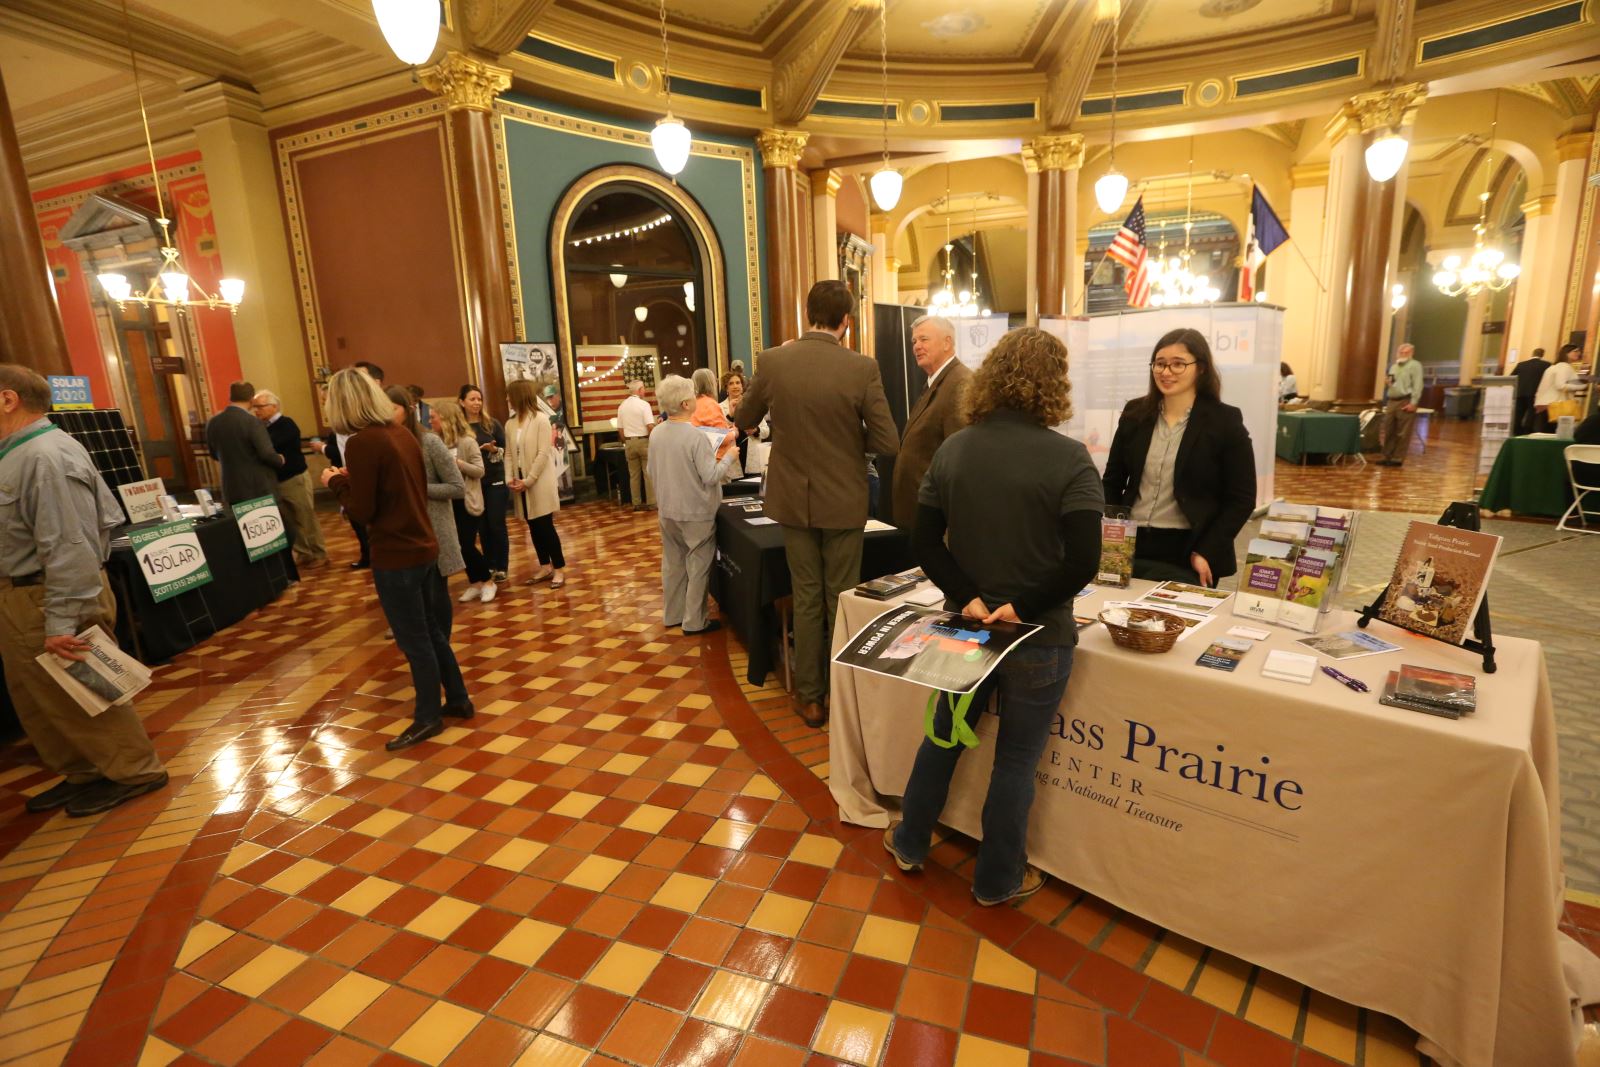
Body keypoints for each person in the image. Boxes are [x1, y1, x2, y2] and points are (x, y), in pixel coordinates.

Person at [885, 328, 1102, 906]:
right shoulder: (1070, 457)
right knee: (1016, 762)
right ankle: (997, 879)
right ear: (1054, 385)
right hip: (1038, 636)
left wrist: (969, 597)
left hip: (968, 626)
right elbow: (1084, 560)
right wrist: (1024, 605)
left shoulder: (956, 448)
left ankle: (909, 840)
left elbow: (924, 541)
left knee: (943, 736)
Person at [0, 364, 168, 816]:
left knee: (85, 688)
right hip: (21, 595)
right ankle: (86, 771)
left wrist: (61, 619)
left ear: (8, 399)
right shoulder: (17, 453)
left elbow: (71, 545)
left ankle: (135, 770)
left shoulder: (46, 456)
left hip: (49, 594)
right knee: (41, 698)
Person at [735, 280, 900, 728]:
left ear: (806, 313)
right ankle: (842, 692)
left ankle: (811, 698)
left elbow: (743, 418)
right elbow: (887, 439)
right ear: (846, 321)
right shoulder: (861, 367)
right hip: (844, 499)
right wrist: (848, 445)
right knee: (841, 597)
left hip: (792, 501)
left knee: (806, 597)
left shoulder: (774, 360)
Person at [322, 369, 471, 750]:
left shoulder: (362, 443)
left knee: (414, 640)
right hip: (422, 545)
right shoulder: (401, 433)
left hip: (396, 553)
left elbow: (364, 510)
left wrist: (336, 482)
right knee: (432, 632)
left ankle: (427, 718)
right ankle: (457, 699)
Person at [1101, 327, 1256, 587]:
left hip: (1191, 550)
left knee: (1178, 625)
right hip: (1132, 543)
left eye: (1178, 365)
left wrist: (1207, 551)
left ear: (1201, 368)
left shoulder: (1224, 420)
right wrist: (1113, 535)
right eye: (1160, 364)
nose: (1166, 372)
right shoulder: (1134, 413)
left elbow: (1241, 498)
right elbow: (1112, 481)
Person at [648, 375, 740, 634]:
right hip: (696, 511)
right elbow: (710, 476)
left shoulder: (656, 433)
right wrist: (730, 457)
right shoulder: (696, 437)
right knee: (698, 565)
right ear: (687, 403)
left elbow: (650, 470)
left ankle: (673, 614)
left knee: (673, 563)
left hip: (667, 509)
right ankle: (694, 621)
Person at [891, 315, 971, 528]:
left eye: (924, 339)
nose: (917, 346)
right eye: (914, 341)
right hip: (919, 511)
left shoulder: (960, 383)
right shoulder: (936, 382)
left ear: (947, 342)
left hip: (938, 517)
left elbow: (959, 456)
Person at [386, 385, 464, 590]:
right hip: (404, 536)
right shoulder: (385, 443)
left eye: (392, 408)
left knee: (436, 601)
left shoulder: (429, 441)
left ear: (409, 409)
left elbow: (457, 487)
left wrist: (418, 488)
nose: (386, 414)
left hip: (433, 532)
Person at [252, 389, 327, 568]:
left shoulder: (287, 424)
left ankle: (319, 553)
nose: (256, 411)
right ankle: (304, 553)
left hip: (294, 479)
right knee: (289, 520)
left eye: (260, 407)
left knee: (305, 516)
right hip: (276, 481)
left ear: (274, 406)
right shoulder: (261, 427)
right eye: (254, 407)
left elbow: (270, 446)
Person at [506, 378, 566, 587]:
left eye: (509, 395)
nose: (507, 399)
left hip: (538, 481)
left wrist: (529, 480)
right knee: (532, 526)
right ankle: (544, 566)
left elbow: (543, 452)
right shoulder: (510, 423)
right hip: (520, 481)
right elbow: (509, 455)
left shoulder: (540, 419)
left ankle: (558, 569)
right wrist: (509, 478)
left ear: (519, 397)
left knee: (545, 526)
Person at [434, 399, 493, 603]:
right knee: (458, 546)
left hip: (468, 501)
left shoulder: (467, 441)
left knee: (466, 544)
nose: (431, 421)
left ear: (446, 419)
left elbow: (479, 470)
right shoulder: (437, 441)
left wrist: (457, 463)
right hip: (449, 503)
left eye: (434, 418)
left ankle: (487, 581)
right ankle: (475, 583)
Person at [206, 381, 284, 506]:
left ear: (230, 398)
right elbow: (266, 454)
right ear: (251, 400)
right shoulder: (252, 422)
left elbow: (214, 454)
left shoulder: (213, 422)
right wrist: (279, 459)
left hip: (231, 489)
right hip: (258, 490)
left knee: (241, 526)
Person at [459, 384, 508, 582]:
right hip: (473, 483)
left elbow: (506, 450)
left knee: (496, 524)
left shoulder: (492, 424)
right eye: (472, 399)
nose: (477, 403)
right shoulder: (460, 427)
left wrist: (493, 451)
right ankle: (490, 565)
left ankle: (502, 566)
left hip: (495, 479)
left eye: (479, 399)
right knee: (483, 527)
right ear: (462, 402)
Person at [1377, 343, 1423, 467]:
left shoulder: (1415, 366)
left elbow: (1417, 385)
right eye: (1401, 352)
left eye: (1406, 353)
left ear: (1411, 353)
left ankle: (1397, 458)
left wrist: (1413, 403)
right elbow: (1392, 382)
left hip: (1405, 400)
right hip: (1392, 400)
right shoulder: (1393, 366)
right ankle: (1387, 456)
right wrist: (1388, 382)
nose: (1403, 354)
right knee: (1389, 429)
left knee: (1403, 432)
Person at [617, 380, 655, 510]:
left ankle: (636, 503)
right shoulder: (644, 405)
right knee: (647, 473)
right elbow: (650, 426)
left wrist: (626, 441)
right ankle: (651, 503)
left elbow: (620, 430)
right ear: (639, 390)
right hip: (644, 441)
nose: (645, 390)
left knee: (634, 475)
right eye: (643, 388)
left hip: (629, 442)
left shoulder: (622, 406)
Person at [1535, 343, 1586, 432]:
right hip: (1556, 406)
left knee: (1545, 435)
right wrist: (1581, 386)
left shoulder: (1555, 366)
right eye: (1575, 351)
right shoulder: (1564, 366)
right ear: (1566, 353)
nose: (1579, 353)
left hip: (1546, 405)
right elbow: (1560, 385)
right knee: (1553, 436)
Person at [1513, 348, 1549, 435]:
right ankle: (1527, 430)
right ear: (1542, 355)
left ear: (1532, 354)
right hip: (1535, 393)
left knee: (1519, 412)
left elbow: (1512, 377)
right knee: (1531, 413)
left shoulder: (1521, 364)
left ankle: (1516, 430)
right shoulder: (1546, 365)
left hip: (1520, 392)